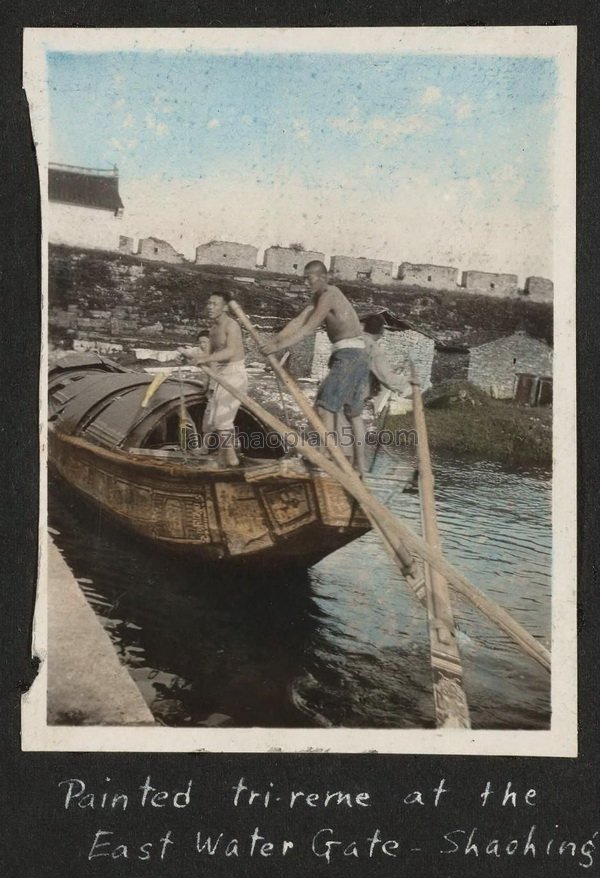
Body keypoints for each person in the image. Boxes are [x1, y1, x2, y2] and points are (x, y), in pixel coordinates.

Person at [262, 260, 369, 475]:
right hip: (355, 354)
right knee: (353, 413)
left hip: (349, 355)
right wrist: (273, 341)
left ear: (321, 276)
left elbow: (308, 329)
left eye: (308, 278)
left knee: (324, 406)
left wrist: (279, 347)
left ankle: (325, 454)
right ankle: (361, 466)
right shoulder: (318, 297)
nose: (305, 282)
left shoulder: (330, 293)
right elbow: (298, 321)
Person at [179, 291, 247, 466]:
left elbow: (230, 351)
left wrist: (204, 359)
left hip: (235, 374)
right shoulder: (213, 329)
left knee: (222, 420)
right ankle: (226, 457)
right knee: (213, 421)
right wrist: (190, 356)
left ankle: (231, 459)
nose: (210, 307)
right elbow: (209, 353)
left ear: (225, 307)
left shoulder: (231, 326)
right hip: (221, 375)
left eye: (215, 304)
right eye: (209, 304)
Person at [361, 313, 411, 411]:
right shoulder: (373, 349)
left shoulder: (353, 341)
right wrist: (409, 386)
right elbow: (387, 377)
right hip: (354, 399)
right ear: (382, 331)